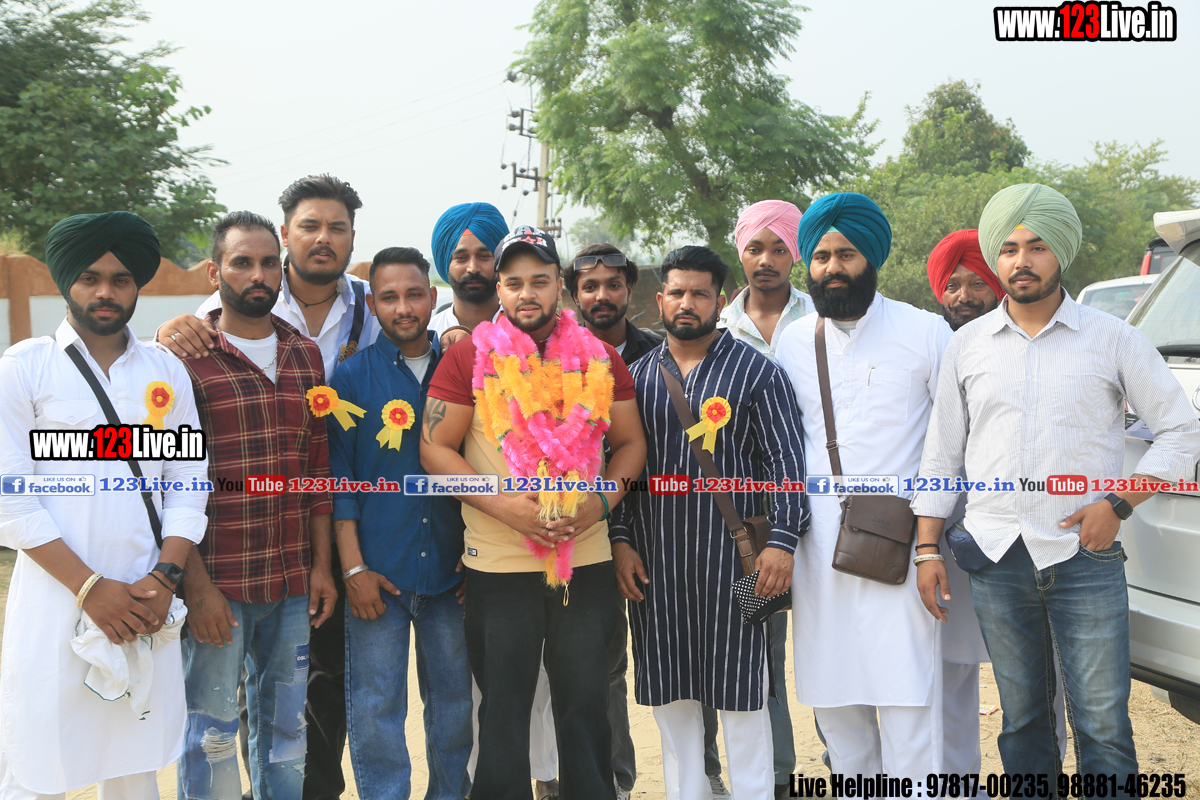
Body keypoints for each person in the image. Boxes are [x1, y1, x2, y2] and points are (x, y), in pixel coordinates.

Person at [911, 183, 1200, 782]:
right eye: (1010, 248)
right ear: (997, 259)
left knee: (1102, 722)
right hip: (997, 556)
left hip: (1084, 555)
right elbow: (942, 457)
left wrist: (1118, 503)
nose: (1022, 261)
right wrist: (927, 548)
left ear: (1060, 252)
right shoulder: (967, 346)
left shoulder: (1112, 337)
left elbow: (1182, 429)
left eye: (1037, 246)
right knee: (1022, 722)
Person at [158, 175, 375, 800]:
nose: (257, 275)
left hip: (290, 582)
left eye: (265, 265)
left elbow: (315, 474)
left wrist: (321, 568)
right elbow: (170, 485)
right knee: (211, 735)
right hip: (218, 581)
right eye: (241, 263)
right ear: (214, 272)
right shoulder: (181, 360)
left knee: (286, 735)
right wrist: (195, 586)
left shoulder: (305, 356)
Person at [422, 226, 647, 800]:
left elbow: (630, 444)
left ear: (559, 288)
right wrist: (505, 508)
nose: (528, 293)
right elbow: (434, 450)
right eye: (515, 282)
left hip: (585, 558)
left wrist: (600, 504)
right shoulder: (467, 356)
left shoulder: (599, 357)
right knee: (502, 708)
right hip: (499, 561)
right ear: (498, 287)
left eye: (540, 281)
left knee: (586, 702)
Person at [0, 212, 209, 800]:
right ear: (67, 282)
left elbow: (188, 483)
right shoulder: (25, 368)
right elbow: (10, 501)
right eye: (90, 278)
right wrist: (89, 588)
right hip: (56, 601)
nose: (105, 292)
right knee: (36, 763)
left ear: (136, 286)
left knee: (133, 768)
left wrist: (165, 579)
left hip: (143, 600)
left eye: (120, 280)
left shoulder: (166, 370)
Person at [609, 245, 808, 800]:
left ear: (720, 302)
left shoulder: (757, 372)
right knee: (673, 701)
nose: (687, 303)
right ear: (659, 300)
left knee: (743, 696)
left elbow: (788, 465)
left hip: (738, 564)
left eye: (700, 293)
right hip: (657, 566)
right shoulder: (635, 379)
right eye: (677, 292)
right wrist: (621, 541)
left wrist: (782, 543)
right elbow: (618, 463)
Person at [775, 192, 950, 779]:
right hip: (818, 551)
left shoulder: (926, 332)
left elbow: (950, 445)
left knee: (908, 700)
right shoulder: (794, 341)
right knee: (836, 704)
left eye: (846, 254)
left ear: (871, 258)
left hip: (900, 543)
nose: (833, 268)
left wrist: (929, 546)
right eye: (821, 256)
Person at [326, 247, 471, 800]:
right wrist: (353, 569)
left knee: (454, 705)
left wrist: (477, 554)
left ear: (433, 298)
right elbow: (340, 480)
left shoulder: (463, 369)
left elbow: (485, 461)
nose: (403, 307)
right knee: (376, 706)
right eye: (389, 297)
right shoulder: (350, 379)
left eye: (414, 294)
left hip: (452, 574)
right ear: (373, 304)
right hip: (377, 576)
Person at [718, 199, 808, 798]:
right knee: (761, 651)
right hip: (746, 525)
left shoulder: (823, 317)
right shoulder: (719, 327)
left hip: (822, 511)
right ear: (741, 253)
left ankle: (846, 761)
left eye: (779, 247)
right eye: (755, 247)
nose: (767, 259)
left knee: (833, 645)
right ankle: (776, 777)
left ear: (795, 254)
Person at [562, 243, 658, 800]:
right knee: (601, 663)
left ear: (630, 289)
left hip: (659, 529)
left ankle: (706, 772)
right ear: (574, 293)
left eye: (613, 284)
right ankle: (614, 780)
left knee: (684, 653)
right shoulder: (555, 356)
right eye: (590, 286)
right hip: (586, 530)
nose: (602, 295)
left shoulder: (661, 353)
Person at [428, 202, 508, 343]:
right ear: (445, 263)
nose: (473, 268)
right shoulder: (429, 337)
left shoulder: (527, 333)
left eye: (484, 256)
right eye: (461, 258)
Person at [926, 229, 1003, 331]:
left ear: (997, 286)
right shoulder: (926, 339)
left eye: (977, 284)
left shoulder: (1020, 339)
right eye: (952, 286)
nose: (964, 297)